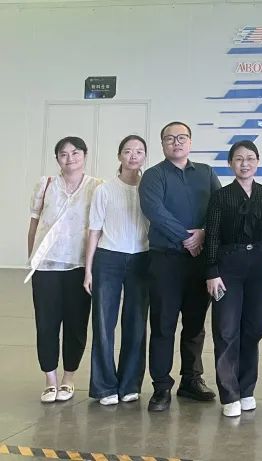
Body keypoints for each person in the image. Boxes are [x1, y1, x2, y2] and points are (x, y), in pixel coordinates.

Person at [139, 121, 221, 412]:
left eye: (182, 137)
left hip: (199, 262)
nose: (176, 142)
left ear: (190, 142)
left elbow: (219, 208)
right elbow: (155, 211)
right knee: (163, 325)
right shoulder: (153, 175)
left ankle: (191, 380)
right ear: (162, 144)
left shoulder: (206, 173)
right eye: (170, 138)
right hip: (166, 261)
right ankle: (161, 386)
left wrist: (204, 234)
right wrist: (187, 237)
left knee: (195, 325)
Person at [204, 140, 262, 417]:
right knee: (226, 329)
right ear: (230, 164)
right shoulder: (220, 196)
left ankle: (246, 389)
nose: (244, 163)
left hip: (259, 266)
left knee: (254, 328)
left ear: (257, 162)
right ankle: (229, 394)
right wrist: (212, 272)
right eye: (238, 159)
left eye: (250, 158)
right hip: (228, 267)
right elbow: (212, 235)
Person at [27, 136, 103, 403]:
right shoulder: (45, 184)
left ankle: (68, 378)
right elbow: (34, 224)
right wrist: (32, 258)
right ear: (57, 158)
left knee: (76, 323)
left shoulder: (97, 186)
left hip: (79, 265)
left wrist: (93, 267)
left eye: (75, 153)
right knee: (46, 323)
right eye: (63, 154)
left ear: (84, 155)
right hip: (45, 266)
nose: (70, 158)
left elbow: (98, 228)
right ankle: (50, 380)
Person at [84, 135, 150, 405]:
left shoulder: (151, 188)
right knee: (103, 323)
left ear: (144, 156)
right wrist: (88, 270)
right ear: (119, 155)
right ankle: (104, 386)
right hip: (108, 258)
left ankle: (130, 383)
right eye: (128, 151)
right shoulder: (104, 189)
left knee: (136, 323)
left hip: (142, 259)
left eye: (139, 151)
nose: (133, 156)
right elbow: (94, 230)